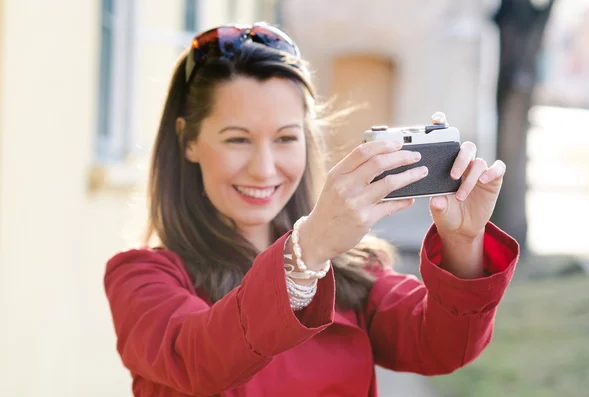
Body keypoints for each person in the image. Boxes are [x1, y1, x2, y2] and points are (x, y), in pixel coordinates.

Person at [104, 22, 519, 397]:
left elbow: (442, 348)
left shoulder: (352, 270)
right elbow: (198, 358)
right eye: (237, 140)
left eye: (285, 138)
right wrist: (308, 251)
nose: (264, 169)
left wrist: (463, 241)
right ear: (187, 141)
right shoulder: (142, 279)